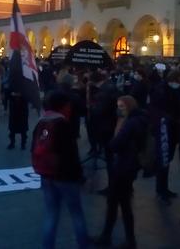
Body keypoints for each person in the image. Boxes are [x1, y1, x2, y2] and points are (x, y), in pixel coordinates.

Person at [31, 91, 89, 249]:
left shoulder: (41, 121)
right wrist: (79, 175)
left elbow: (33, 148)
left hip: (45, 174)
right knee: (76, 213)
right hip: (65, 176)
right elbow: (71, 154)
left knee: (51, 214)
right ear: (64, 106)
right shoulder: (62, 124)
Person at [93, 96, 146, 249]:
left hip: (123, 167)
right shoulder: (140, 119)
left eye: (122, 106)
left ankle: (125, 240)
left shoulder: (131, 123)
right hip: (129, 166)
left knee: (120, 203)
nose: (119, 109)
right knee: (118, 203)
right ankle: (112, 236)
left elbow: (115, 143)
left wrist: (118, 129)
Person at [149, 69, 180, 204]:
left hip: (172, 129)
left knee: (167, 160)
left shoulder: (173, 90)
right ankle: (161, 190)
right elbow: (155, 109)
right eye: (178, 81)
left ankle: (164, 188)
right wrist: (169, 118)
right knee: (163, 160)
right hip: (163, 129)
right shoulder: (160, 90)